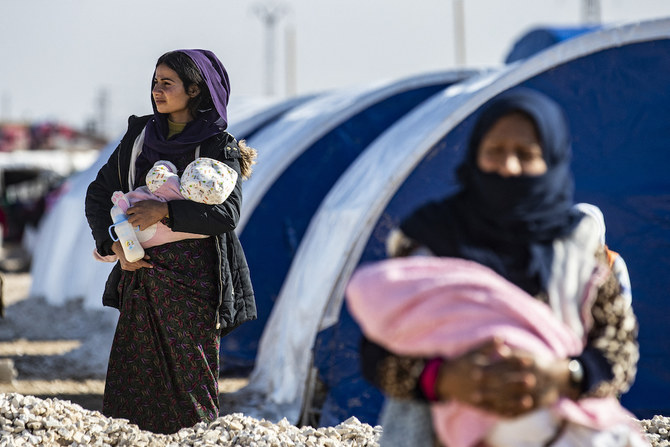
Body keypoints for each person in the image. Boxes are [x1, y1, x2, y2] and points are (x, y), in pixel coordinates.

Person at [353, 88, 642, 446]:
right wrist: (444, 379)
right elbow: (377, 351)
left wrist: (563, 374)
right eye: (495, 152)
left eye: (525, 154)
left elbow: (619, 351)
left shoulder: (581, 252)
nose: (508, 167)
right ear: (475, 155)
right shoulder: (433, 238)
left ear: (550, 161)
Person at [85, 49, 257, 434]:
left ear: (195, 90)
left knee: (190, 378)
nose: (156, 90)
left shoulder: (219, 146)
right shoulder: (139, 138)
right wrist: (113, 246)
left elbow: (227, 214)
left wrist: (164, 213)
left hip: (194, 277)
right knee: (133, 374)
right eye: (154, 82)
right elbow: (99, 195)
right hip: (140, 273)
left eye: (167, 83)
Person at [93, 156, 239, 261]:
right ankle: (117, 248)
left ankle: (114, 248)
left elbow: (155, 176)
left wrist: (166, 166)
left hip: (135, 211)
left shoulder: (172, 185)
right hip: (158, 243)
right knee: (131, 240)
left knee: (124, 227)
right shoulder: (199, 212)